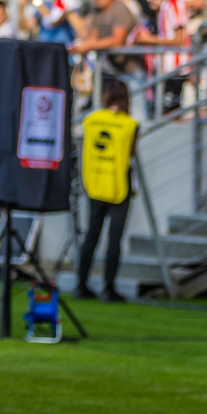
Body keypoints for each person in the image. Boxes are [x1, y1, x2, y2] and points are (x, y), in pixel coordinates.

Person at [74, 78, 138, 303]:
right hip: (119, 185)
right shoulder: (130, 124)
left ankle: (81, 284)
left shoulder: (91, 120)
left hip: (94, 184)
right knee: (114, 239)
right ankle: (109, 288)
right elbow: (131, 153)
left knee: (91, 235)